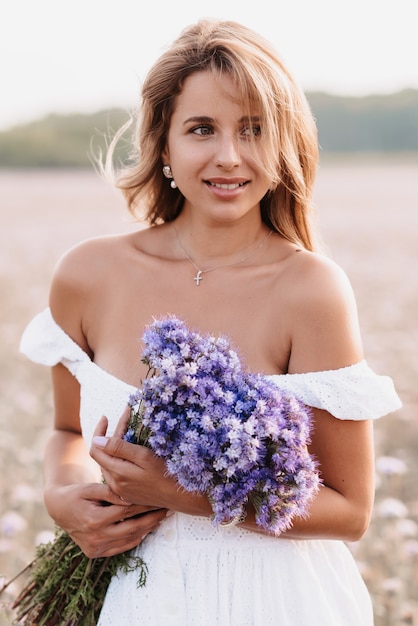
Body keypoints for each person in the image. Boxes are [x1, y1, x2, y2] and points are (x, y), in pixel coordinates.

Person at [20, 18, 401, 625]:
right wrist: (62, 497)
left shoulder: (311, 289)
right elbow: (68, 432)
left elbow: (350, 510)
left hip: (278, 602)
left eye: (254, 130)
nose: (229, 156)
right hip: (140, 600)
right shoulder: (87, 274)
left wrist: (181, 494)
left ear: (284, 146)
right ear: (163, 143)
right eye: (202, 129)